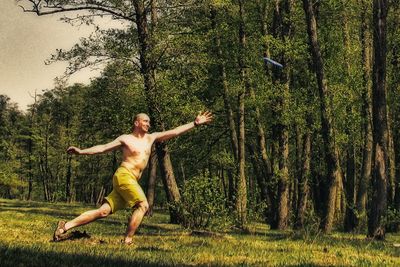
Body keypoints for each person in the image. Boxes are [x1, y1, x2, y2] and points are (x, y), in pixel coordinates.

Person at [53, 111, 213, 244]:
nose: (148, 124)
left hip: (130, 181)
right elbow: (103, 148)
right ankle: (127, 241)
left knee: (103, 212)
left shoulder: (151, 138)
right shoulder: (126, 139)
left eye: (149, 122)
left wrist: (195, 123)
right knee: (143, 205)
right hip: (124, 176)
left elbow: (174, 132)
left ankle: (64, 227)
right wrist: (81, 151)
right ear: (136, 123)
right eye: (145, 121)